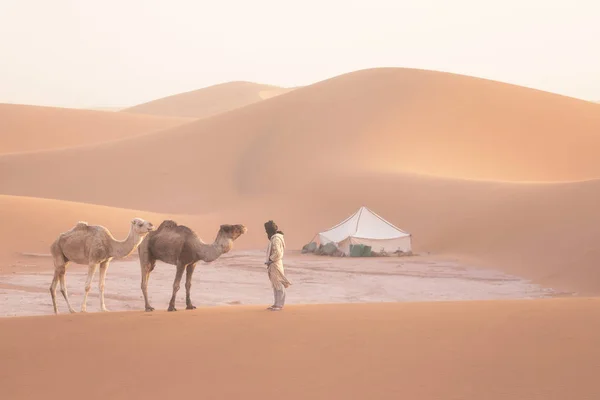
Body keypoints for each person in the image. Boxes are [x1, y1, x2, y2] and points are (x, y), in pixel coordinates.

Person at [264, 220, 291, 311]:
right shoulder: (275, 238)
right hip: (274, 264)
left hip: (275, 264)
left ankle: (279, 305)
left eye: (266, 229)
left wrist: (271, 259)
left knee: (278, 284)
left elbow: (278, 253)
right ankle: (276, 304)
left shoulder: (275, 239)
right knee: (275, 284)